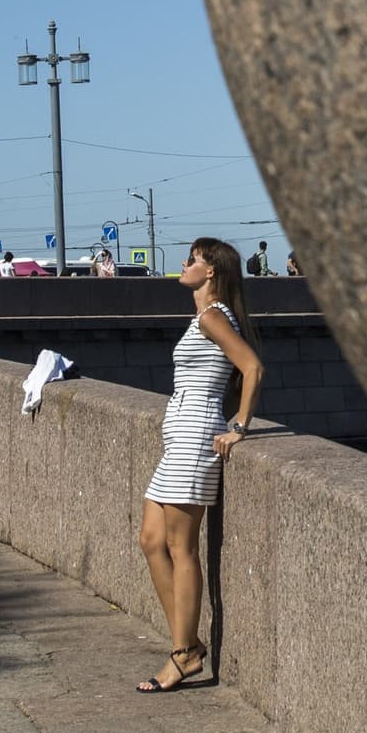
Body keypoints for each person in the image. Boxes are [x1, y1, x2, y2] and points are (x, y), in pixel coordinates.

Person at [135, 237, 267, 693]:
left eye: (192, 259)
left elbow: (252, 367)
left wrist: (240, 427)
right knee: (151, 539)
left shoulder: (213, 317)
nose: (185, 264)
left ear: (210, 272)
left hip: (195, 440)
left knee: (181, 547)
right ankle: (188, 644)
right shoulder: (203, 316)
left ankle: (182, 655)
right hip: (179, 439)